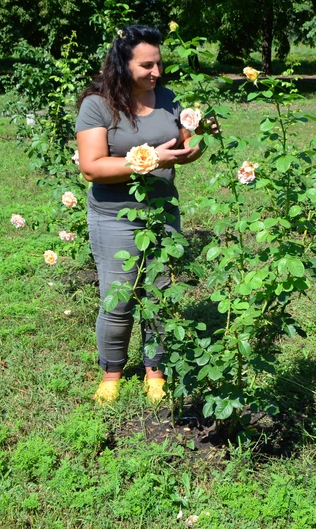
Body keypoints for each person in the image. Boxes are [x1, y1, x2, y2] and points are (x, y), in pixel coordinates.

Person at [75, 24, 210, 405]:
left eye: (159, 64)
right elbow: (91, 167)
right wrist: (149, 161)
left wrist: (201, 137)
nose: (156, 73)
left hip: (162, 213)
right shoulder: (98, 104)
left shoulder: (168, 99)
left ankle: (156, 371)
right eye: (146, 65)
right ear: (122, 65)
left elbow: (185, 149)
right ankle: (111, 373)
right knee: (118, 300)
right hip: (115, 215)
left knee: (159, 293)